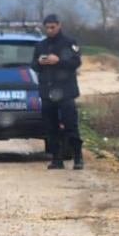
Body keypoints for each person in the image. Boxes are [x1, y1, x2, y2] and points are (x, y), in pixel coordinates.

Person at [34, 14, 84, 170]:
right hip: (48, 92)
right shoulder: (41, 45)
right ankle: (56, 159)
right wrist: (39, 62)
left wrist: (59, 61)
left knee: (70, 125)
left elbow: (76, 62)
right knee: (51, 127)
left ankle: (78, 158)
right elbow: (33, 65)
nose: (50, 30)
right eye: (47, 28)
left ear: (59, 25)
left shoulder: (69, 43)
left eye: (52, 27)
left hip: (65, 91)